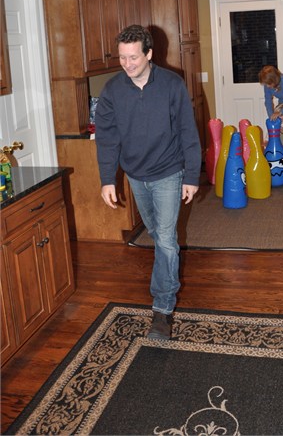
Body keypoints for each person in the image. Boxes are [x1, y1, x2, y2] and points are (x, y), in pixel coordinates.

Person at [95, 25, 201, 340]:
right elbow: (107, 139)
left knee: (166, 239)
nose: (127, 64)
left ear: (149, 54)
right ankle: (167, 270)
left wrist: (191, 175)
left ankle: (162, 309)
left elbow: (188, 131)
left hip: (169, 170)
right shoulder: (112, 90)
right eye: (122, 58)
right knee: (157, 235)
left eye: (133, 57)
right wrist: (107, 179)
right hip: (135, 174)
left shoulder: (171, 84)